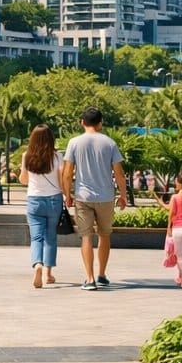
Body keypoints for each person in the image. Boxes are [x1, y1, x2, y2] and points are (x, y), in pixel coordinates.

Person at [60, 108, 129, 290]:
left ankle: (89, 279)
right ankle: (101, 274)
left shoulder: (74, 143)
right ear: (100, 123)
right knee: (105, 235)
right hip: (106, 197)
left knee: (86, 237)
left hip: (83, 197)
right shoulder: (110, 143)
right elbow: (119, 174)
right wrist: (123, 195)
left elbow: (67, 173)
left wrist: (67, 195)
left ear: (82, 122)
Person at [18, 124, 63, 288]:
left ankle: (37, 264)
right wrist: (68, 195)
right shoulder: (57, 156)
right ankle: (48, 273)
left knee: (36, 237)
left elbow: (23, 180)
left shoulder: (26, 156)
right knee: (50, 238)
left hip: (34, 200)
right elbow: (61, 179)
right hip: (53, 200)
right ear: (51, 139)